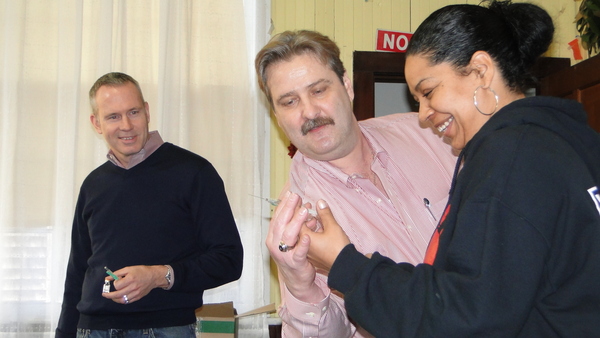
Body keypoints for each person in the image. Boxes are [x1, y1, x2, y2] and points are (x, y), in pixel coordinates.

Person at [276, 1, 600, 336]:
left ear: (481, 71)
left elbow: (463, 316)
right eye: (288, 101)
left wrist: (346, 264)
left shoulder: (506, 159)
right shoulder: (570, 141)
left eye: (428, 92)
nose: (423, 115)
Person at [255, 30, 457, 337]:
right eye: (289, 101)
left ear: (346, 86)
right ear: (277, 116)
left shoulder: (426, 133)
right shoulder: (299, 219)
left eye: (319, 90)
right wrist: (300, 285)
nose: (309, 112)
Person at [55, 72, 244, 337]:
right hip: (92, 329)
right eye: (112, 116)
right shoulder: (92, 184)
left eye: (133, 112)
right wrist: (64, 332)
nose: (126, 125)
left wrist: (158, 276)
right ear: (96, 123)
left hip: (166, 328)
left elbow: (229, 260)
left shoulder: (194, 172)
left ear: (147, 111)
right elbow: (77, 271)